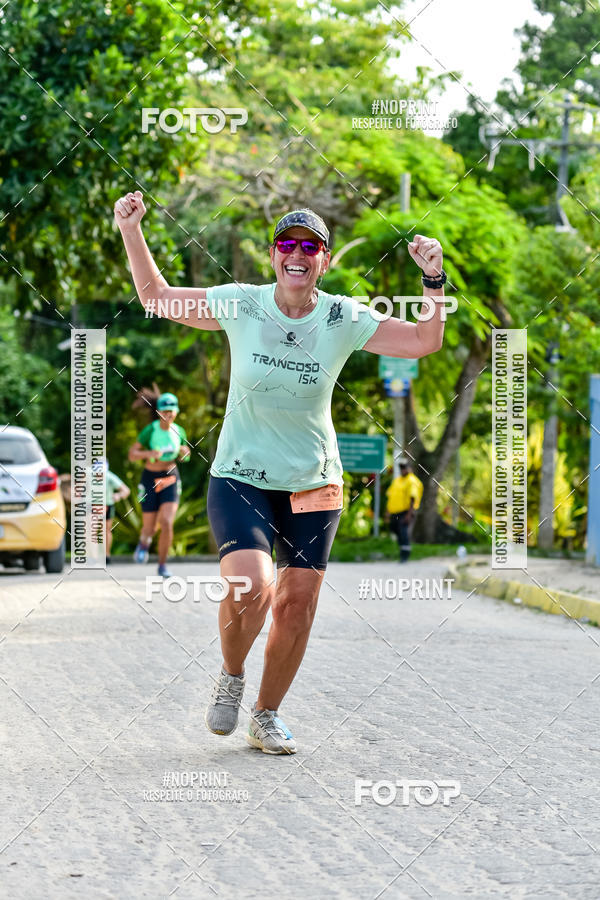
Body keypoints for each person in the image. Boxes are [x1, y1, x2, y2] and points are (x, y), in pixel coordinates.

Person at [114, 190, 447, 754]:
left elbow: (423, 340)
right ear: (274, 255)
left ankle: (265, 716)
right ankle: (232, 672)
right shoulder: (241, 303)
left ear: (325, 258)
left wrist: (433, 282)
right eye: (287, 244)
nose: (298, 254)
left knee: (297, 605)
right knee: (253, 586)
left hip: (315, 481)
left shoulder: (343, 316)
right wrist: (130, 228)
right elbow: (155, 296)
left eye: (310, 246)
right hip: (241, 474)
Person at [128, 392, 190, 577]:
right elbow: (132, 455)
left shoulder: (179, 431)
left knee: (166, 522)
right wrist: (148, 454)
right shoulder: (151, 430)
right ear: (158, 412)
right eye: (164, 411)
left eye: (171, 411)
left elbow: (186, 457)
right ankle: (144, 542)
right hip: (149, 478)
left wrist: (185, 453)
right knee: (149, 527)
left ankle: (162, 565)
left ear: (176, 412)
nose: (168, 415)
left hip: (170, 477)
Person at [92, 457, 131, 564]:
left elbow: (126, 490)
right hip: (91, 506)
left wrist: (118, 495)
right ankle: (93, 557)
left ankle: (106, 556)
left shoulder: (109, 477)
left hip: (107, 505)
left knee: (106, 531)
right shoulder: (88, 475)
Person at [386, 457, 423, 562]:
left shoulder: (412, 481)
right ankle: (403, 547)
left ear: (409, 468)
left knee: (403, 532)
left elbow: (413, 498)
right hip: (395, 512)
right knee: (394, 529)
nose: (403, 470)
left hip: (406, 512)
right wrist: (388, 513)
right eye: (401, 468)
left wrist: (409, 514)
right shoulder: (397, 481)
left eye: (405, 467)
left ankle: (405, 554)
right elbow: (391, 496)